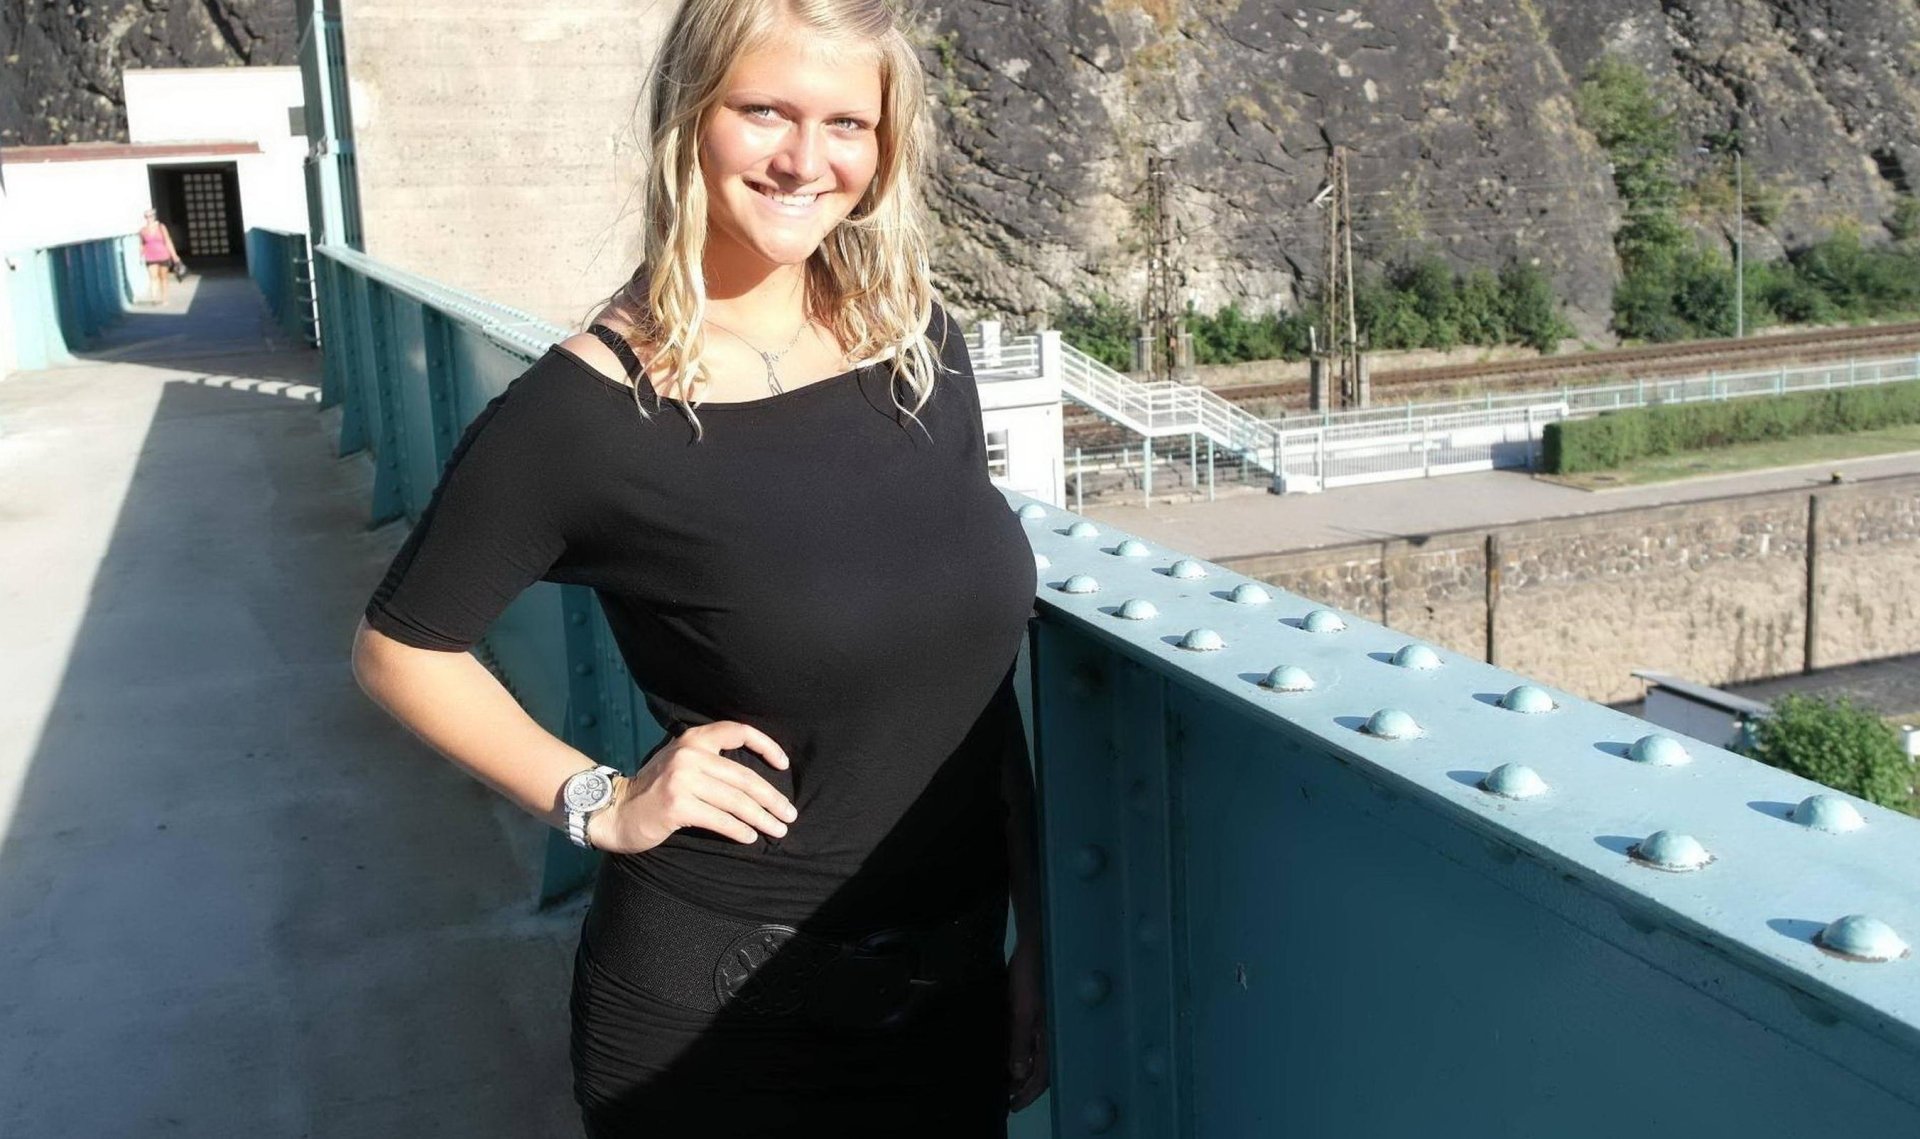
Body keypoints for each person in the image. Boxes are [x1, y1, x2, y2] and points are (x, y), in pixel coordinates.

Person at [349, 1, 1048, 1135]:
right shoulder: (589, 411)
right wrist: (602, 800)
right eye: (763, 111)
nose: (805, 160)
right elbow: (400, 648)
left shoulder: (917, 345)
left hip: (951, 996)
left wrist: (1037, 941)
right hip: (719, 1027)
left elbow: (975, 695)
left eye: (846, 123)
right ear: (689, 115)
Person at [137, 209, 179, 305]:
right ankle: (154, 298)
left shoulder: (161, 227)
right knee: (153, 277)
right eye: (146, 216)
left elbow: (168, 241)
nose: (149, 218)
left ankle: (165, 298)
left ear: (154, 216)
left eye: (151, 216)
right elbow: (141, 244)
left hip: (163, 255)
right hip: (150, 256)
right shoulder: (142, 230)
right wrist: (140, 256)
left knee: (163, 277)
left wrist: (174, 256)